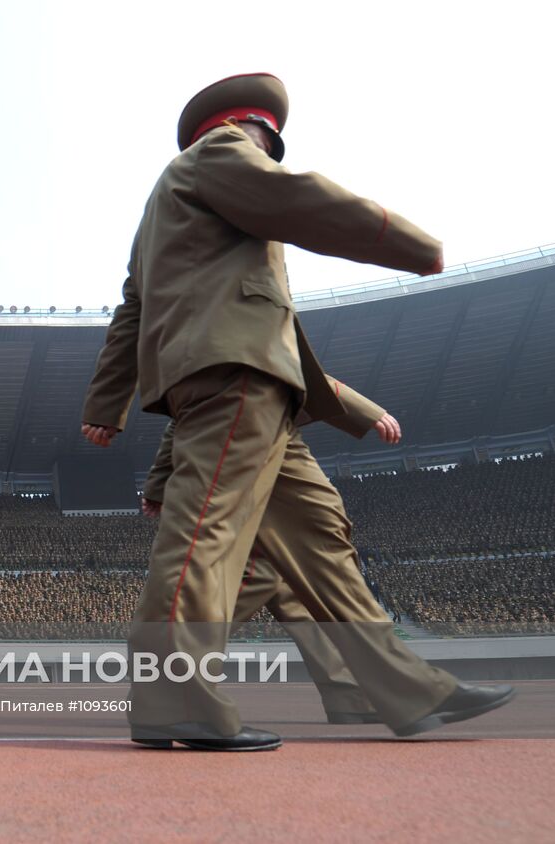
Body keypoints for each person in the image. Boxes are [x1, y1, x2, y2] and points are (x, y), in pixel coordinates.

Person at [80, 73, 514, 751]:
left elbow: (147, 312)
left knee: (322, 547)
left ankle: (403, 688)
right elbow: (296, 200)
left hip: (262, 391)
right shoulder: (217, 154)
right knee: (208, 534)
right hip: (236, 382)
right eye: (266, 142)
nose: (265, 153)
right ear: (247, 130)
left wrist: (108, 403)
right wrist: (408, 246)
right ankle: (172, 698)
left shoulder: (164, 214)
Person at [142, 373, 397, 725]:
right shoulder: (229, 346)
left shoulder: (199, 363)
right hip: (250, 480)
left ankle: (349, 695)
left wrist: (157, 486)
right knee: (260, 581)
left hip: (249, 478)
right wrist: (366, 411)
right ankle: (169, 679)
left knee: (285, 589)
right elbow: (293, 366)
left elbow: (179, 425)